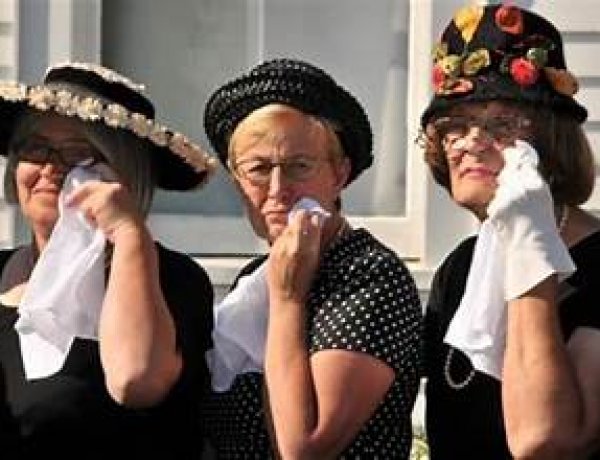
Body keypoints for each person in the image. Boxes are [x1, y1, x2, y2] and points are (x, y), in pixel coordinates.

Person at [201, 58, 423, 459]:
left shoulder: (369, 273)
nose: (277, 189)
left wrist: (288, 300)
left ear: (339, 175)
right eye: (258, 169)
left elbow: (302, 448)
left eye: (298, 167)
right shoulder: (254, 279)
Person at [0, 62, 217, 458]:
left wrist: (129, 233)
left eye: (78, 154)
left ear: (122, 176)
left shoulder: (173, 279)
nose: (50, 167)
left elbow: (136, 381)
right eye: (35, 147)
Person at [419, 4, 600, 459]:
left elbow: (544, 439)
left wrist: (528, 245)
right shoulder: (459, 268)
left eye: (501, 124)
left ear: (551, 141)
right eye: (454, 127)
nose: (470, 143)